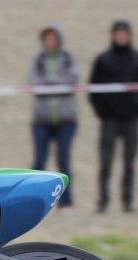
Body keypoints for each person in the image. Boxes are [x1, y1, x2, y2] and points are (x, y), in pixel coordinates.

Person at [88, 20, 138, 213]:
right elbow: (93, 88)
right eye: (118, 33)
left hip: (131, 120)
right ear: (113, 35)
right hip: (109, 120)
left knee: (129, 163)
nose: (121, 37)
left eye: (124, 33)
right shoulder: (103, 60)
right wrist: (101, 111)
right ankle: (103, 201)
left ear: (129, 36)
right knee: (106, 163)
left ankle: (127, 201)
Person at [28, 24, 79, 212]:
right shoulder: (38, 60)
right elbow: (34, 82)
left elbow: (72, 79)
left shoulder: (68, 58)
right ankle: (33, 201)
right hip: (41, 120)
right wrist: (58, 83)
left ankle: (66, 202)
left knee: (63, 161)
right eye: (47, 38)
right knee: (39, 163)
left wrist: (48, 82)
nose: (50, 41)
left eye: (53, 38)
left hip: (66, 120)